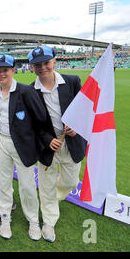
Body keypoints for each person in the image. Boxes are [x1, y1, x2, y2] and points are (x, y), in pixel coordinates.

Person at [0, 54, 52, 240]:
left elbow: (41, 118)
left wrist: (41, 142)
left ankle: (33, 221)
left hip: (24, 145)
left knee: (27, 186)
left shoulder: (26, 91)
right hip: (1, 142)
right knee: (3, 183)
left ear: (13, 70)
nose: (1, 74)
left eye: (5, 70)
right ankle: (5, 218)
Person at [28, 45, 87, 242]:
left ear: (54, 61)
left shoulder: (72, 81)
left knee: (70, 182)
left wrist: (77, 126)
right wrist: (46, 139)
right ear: (31, 67)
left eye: (46, 62)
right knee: (46, 185)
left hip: (72, 144)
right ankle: (49, 222)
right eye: (37, 65)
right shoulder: (30, 91)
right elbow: (32, 124)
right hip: (48, 148)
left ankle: (53, 198)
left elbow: (85, 109)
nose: (43, 67)